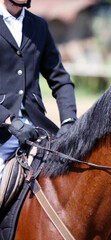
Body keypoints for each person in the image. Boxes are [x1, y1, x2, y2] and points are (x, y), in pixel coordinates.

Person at [0, 0, 77, 183]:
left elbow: (60, 79)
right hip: (2, 131)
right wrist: (8, 119)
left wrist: (68, 120)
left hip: (36, 128)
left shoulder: (39, 25)